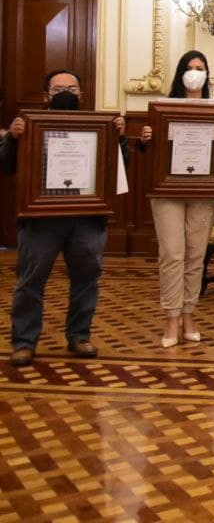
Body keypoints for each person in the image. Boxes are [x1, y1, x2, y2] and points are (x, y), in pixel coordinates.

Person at [5, 71, 127, 367]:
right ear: (46, 95)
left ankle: (79, 335)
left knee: (87, 278)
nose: (66, 93)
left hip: (86, 216)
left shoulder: (99, 127)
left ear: (81, 94)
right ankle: (24, 341)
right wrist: (12, 137)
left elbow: (118, 170)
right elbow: (6, 165)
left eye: (72, 88)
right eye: (59, 88)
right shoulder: (27, 125)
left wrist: (119, 139)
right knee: (31, 281)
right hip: (40, 218)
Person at [141, 50, 214, 348]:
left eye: (200, 68)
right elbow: (150, 152)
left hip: (204, 190)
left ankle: (188, 315)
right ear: (180, 73)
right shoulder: (163, 107)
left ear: (208, 75)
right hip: (167, 190)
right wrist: (148, 137)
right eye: (190, 67)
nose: (195, 72)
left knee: (195, 255)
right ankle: (171, 316)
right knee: (172, 253)